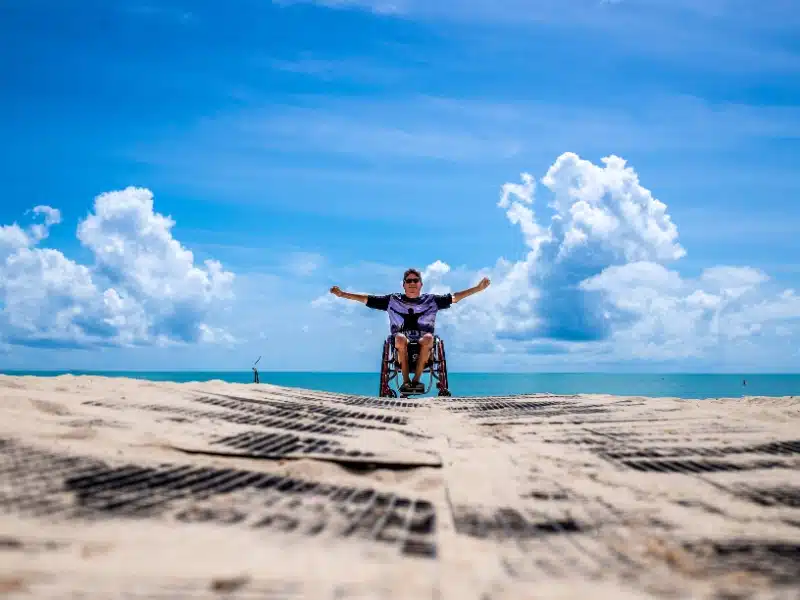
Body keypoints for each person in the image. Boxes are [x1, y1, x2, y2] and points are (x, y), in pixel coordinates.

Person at [330, 268, 491, 393]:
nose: (412, 283)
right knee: (399, 338)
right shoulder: (393, 300)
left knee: (429, 338)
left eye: (416, 280)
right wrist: (342, 294)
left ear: (421, 284)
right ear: (404, 284)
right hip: (401, 344)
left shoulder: (431, 300)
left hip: (424, 343)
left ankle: (416, 381)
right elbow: (366, 299)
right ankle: (406, 381)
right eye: (409, 281)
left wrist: (478, 288)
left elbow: (455, 297)